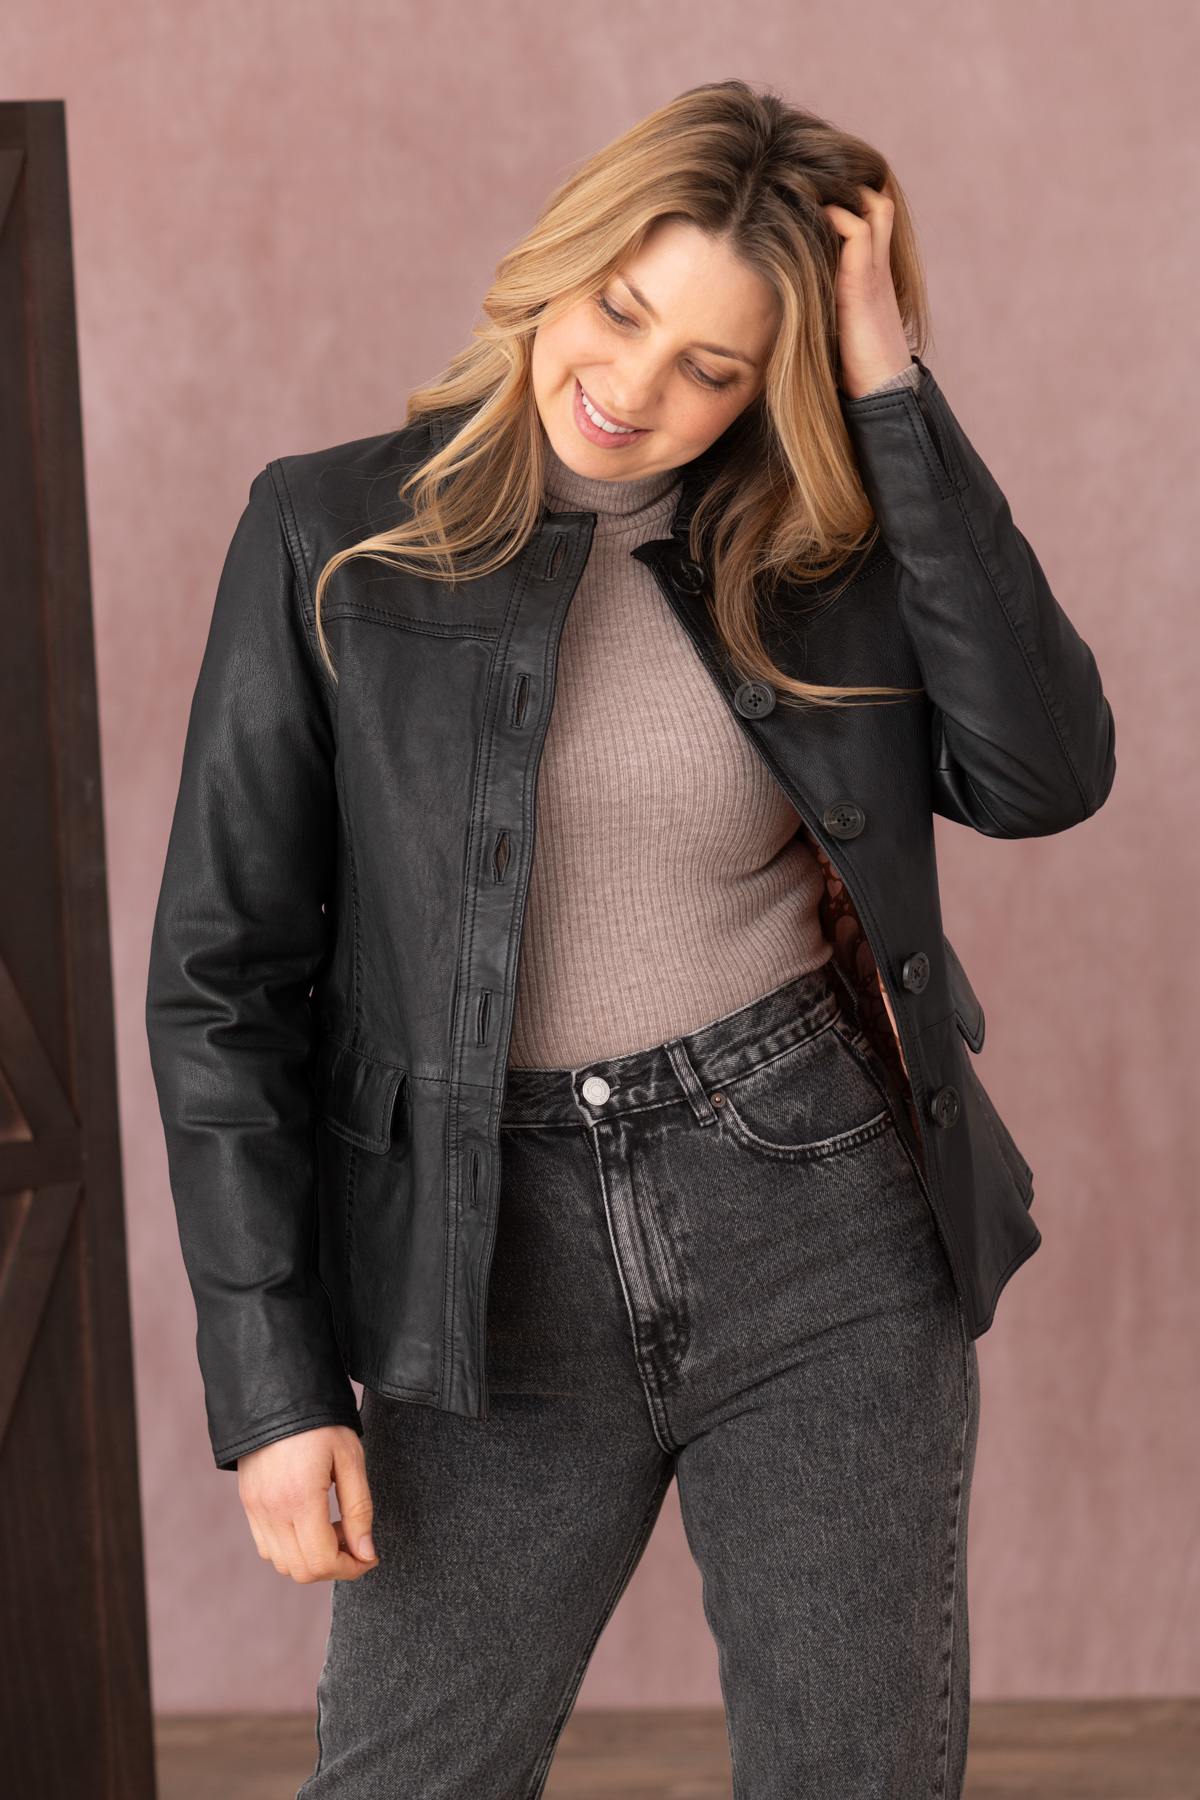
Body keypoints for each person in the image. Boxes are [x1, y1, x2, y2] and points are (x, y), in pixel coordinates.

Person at [145, 79, 1116, 1799]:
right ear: (561, 264)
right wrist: (273, 1386)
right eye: (620, 310)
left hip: (814, 1212)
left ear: (772, 386)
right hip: (479, 1256)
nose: (635, 389)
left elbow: (1042, 773)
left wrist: (888, 381)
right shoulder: (330, 534)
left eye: (715, 367)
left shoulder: (818, 550)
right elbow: (222, 981)